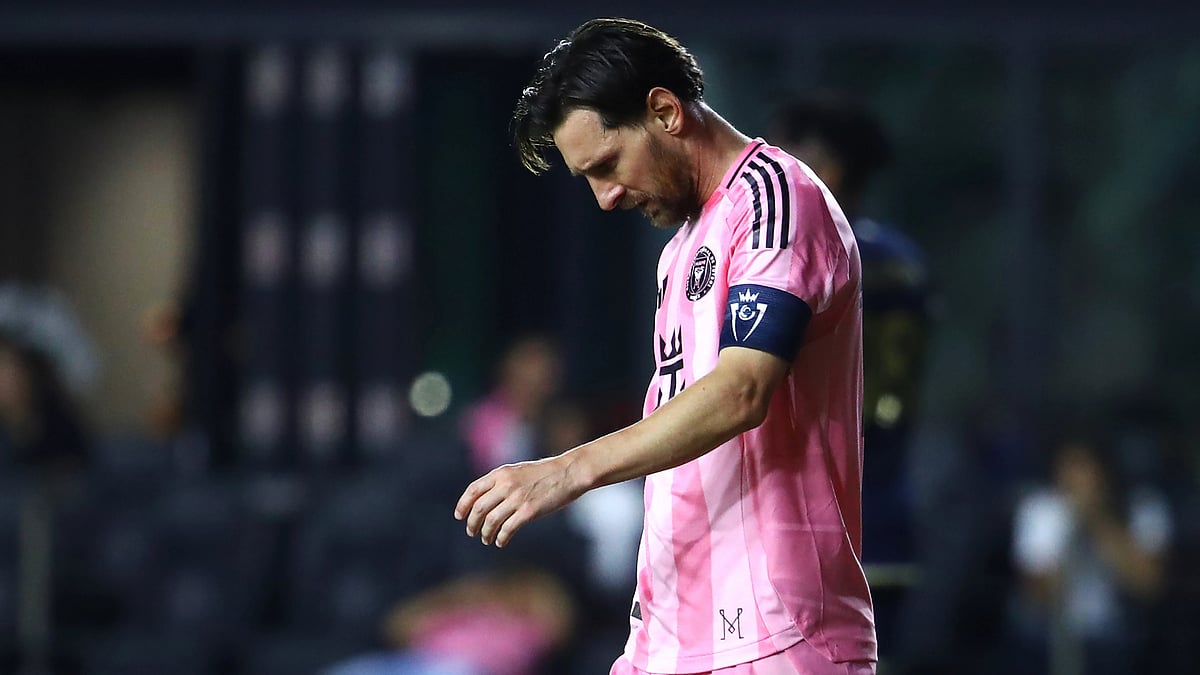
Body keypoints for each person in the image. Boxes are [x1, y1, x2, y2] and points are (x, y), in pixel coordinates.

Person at [455, 17, 876, 675]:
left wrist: (567, 468)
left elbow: (741, 391)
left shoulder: (776, 200)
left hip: (773, 632)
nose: (604, 197)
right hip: (673, 634)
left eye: (606, 165)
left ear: (664, 111)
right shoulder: (681, 249)